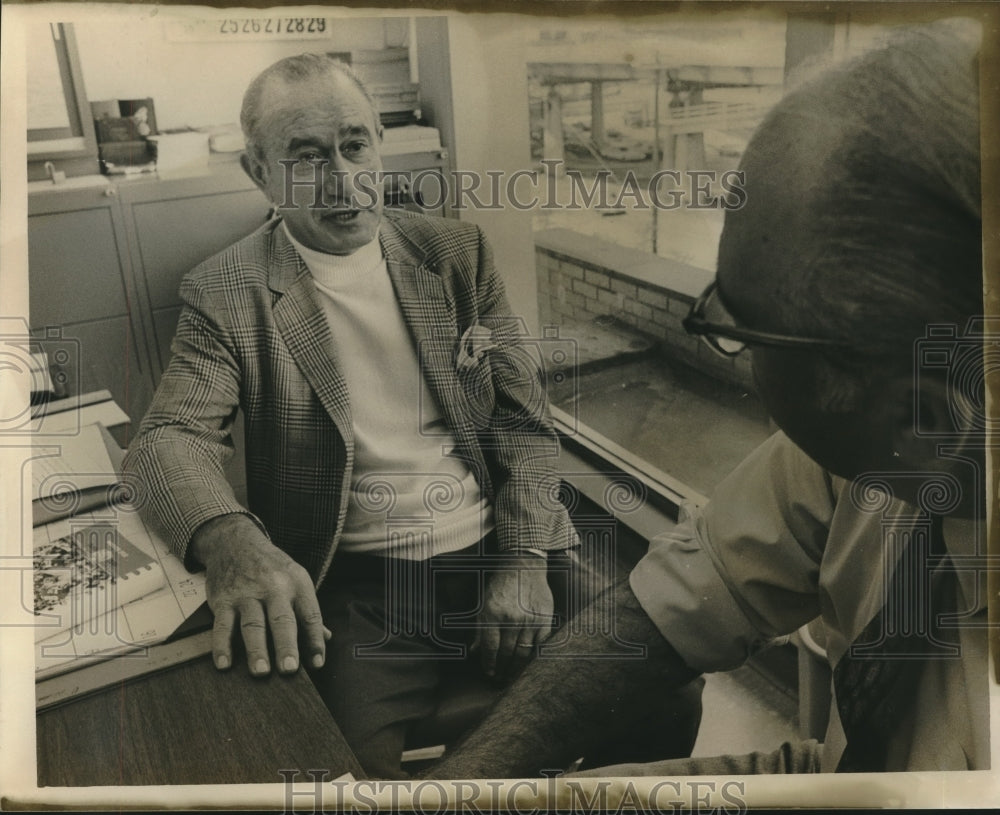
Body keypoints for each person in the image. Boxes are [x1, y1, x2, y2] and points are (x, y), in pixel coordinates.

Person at [428, 19, 987, 778]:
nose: (722, 330)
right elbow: (681, 602)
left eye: (740, 320)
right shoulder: (887, 445)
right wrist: (461, 789)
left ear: (923, 414)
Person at [123, 54, 590, 778]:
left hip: (497, 546)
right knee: (335, 774)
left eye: (354, 144)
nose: (342, 181)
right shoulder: (226, 291)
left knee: (670, 694)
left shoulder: (456, 252)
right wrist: (231, 540)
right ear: (260, 175)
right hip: (362, 587)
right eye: (305, 158)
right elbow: (168, 439)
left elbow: (525, 423)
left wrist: (525, 556)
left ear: (380, 141)